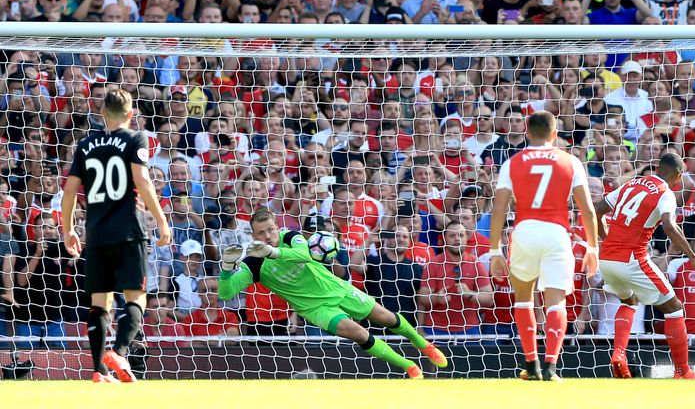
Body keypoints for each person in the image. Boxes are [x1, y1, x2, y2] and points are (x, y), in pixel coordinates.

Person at [218, 208, 447, 379]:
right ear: (253, 235)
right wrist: (227, 269)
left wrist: (273, 251)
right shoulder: (253, 263)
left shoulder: (290, 236)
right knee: (358, 333)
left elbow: (304, 255)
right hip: (315, 308)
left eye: (270, 229)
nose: (267, 235)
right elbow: (226, 292)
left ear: (277, 227)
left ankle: (422, 343)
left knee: (386, 317)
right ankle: (407, 365)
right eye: (261, 233)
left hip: (336, 288)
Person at [61, 89, 172, 383]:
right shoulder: (135, 138)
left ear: (102, 113)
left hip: (96, 234)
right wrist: (161, 220)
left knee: (100, 302)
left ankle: (99, 370)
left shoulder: (85, 144)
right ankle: (120, 351)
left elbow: (70, 191)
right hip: (128, 230)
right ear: (130, 114)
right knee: (137, 296)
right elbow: (142, 179)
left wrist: (68, 229)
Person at [489, 111, 599, 381]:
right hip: (557, 232)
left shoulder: (512, 162)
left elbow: (499, 208)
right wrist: (593, 247)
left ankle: (531, 365)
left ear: (526, 132)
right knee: (556, 301)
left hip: (524, 230)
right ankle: (550, 366)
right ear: (554, 134)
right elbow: (587, 210)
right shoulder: (570, 161)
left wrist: (494, 251)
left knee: (524, 299)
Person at [593, 153, 695, 380]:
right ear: (678, 177)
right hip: (632, 258)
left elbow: (596, 210)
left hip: (607, 258)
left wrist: (606, 238)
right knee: (674, 307)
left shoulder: (631, 184)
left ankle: (619, 354)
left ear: (658, 167)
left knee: (629, 300)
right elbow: (669, 226)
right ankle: (683, 371)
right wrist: (693, 257)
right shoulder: (665, 193)